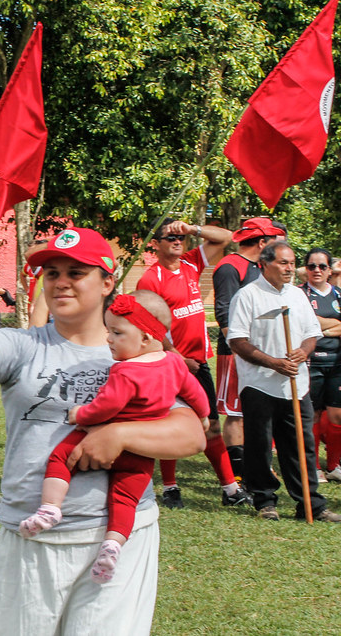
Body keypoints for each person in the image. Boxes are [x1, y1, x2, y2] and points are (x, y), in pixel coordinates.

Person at [0, 227, 206, 634]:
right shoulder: (26, 344)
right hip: (35, 538)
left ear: (108, 282)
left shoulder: (137, 352)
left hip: (121, 536)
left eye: (76, 271)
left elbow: (190, 433)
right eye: (51, 273)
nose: (61, 282)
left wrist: (118, 436)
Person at [19, 291, 210, 584]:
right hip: (143, 449)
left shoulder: (126, 371)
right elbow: (195, 392)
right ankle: (113, 544)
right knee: (125, 499)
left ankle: (50, 508)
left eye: (118, 333)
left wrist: (80, 414)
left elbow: (105, 407)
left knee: (60, 458)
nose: (109, 339)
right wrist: (204, 415)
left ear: (145, 339)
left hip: (102, 434)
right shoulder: (174, 363)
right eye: (109, 331)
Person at [226, 241, 341, 522]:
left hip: (296, 385)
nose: (289, 268)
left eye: (291, 263)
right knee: (260, 445)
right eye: (282, 263)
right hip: (259, 384)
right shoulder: (248, 296)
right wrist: (273, 362)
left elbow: (312, 333)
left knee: (300, 445)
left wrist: (303, 351)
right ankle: (265, 500)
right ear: (265, 264)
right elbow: (238, 341)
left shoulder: (298, 296)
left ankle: (310, 504)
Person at [134, 218, 245, 508]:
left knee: (211, 425)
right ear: (155, 245)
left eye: (179, 237)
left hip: (199, 363)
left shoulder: (191, 263)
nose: (177, 241)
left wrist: (193, 228)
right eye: (169, 237)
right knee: (170, 424)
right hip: (172, 364)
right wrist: (176, 356)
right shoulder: (150, 278)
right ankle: (170, 488)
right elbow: (149, 324)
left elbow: (225, 238)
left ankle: (230, 490)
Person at [212, 217, 286, 481]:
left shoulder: (260, 268)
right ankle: (240, 471)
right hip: (237, 352)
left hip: (261, 352)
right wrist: (241, 349)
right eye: (277, 242)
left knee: (260, 411)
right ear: (263, 242)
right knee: (237, 412)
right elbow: (224, 312)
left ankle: (261, 466)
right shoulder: (230, 266)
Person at [299, 248, 341, 481]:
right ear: (306, 269)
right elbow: (306, 323)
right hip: (311, 361)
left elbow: (315, 326)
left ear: (329, 270)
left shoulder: (338, 295)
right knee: (312, 415)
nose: (317, 270)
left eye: (322, 266)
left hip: (337, 363)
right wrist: (333, 325)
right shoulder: (299, 295)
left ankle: (334, 465)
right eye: (312, 266)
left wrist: (320, 326)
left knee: (337, 415)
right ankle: (313, 466)